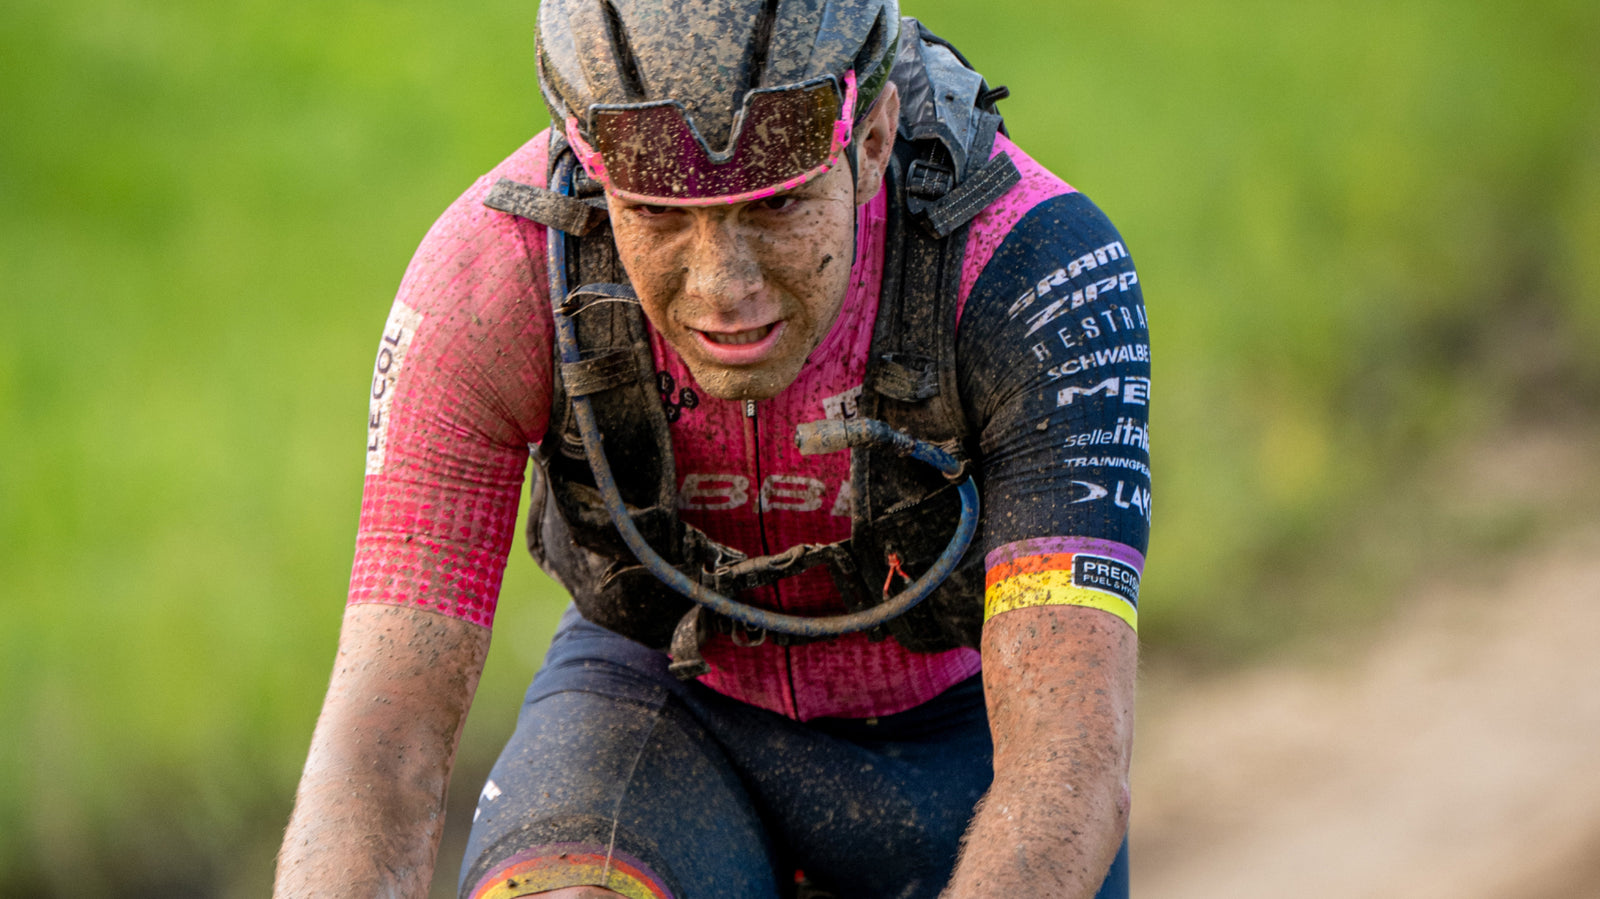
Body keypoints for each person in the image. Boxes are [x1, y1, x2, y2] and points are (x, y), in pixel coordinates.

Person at [274, 0, 1149, 896]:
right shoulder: (489, 279)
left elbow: (1067, 766)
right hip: (660, 705)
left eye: (776, 202)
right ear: (589, 162)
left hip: (961, 736)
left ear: (874, 139)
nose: (722, 285)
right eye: (657, 211)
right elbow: (382, 753)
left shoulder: (1035, 274)